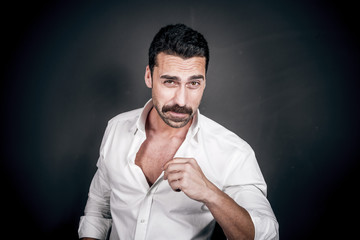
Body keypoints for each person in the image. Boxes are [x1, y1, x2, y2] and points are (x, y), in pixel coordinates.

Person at [78, 23, 279, 240]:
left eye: (193, 83)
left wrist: (210, 193)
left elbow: (266, 235)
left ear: (204, 83)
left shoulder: (233, 152)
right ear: (149, 76)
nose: (182, 100)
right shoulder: (117, 128)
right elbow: (99, 209)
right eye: (170, 82)